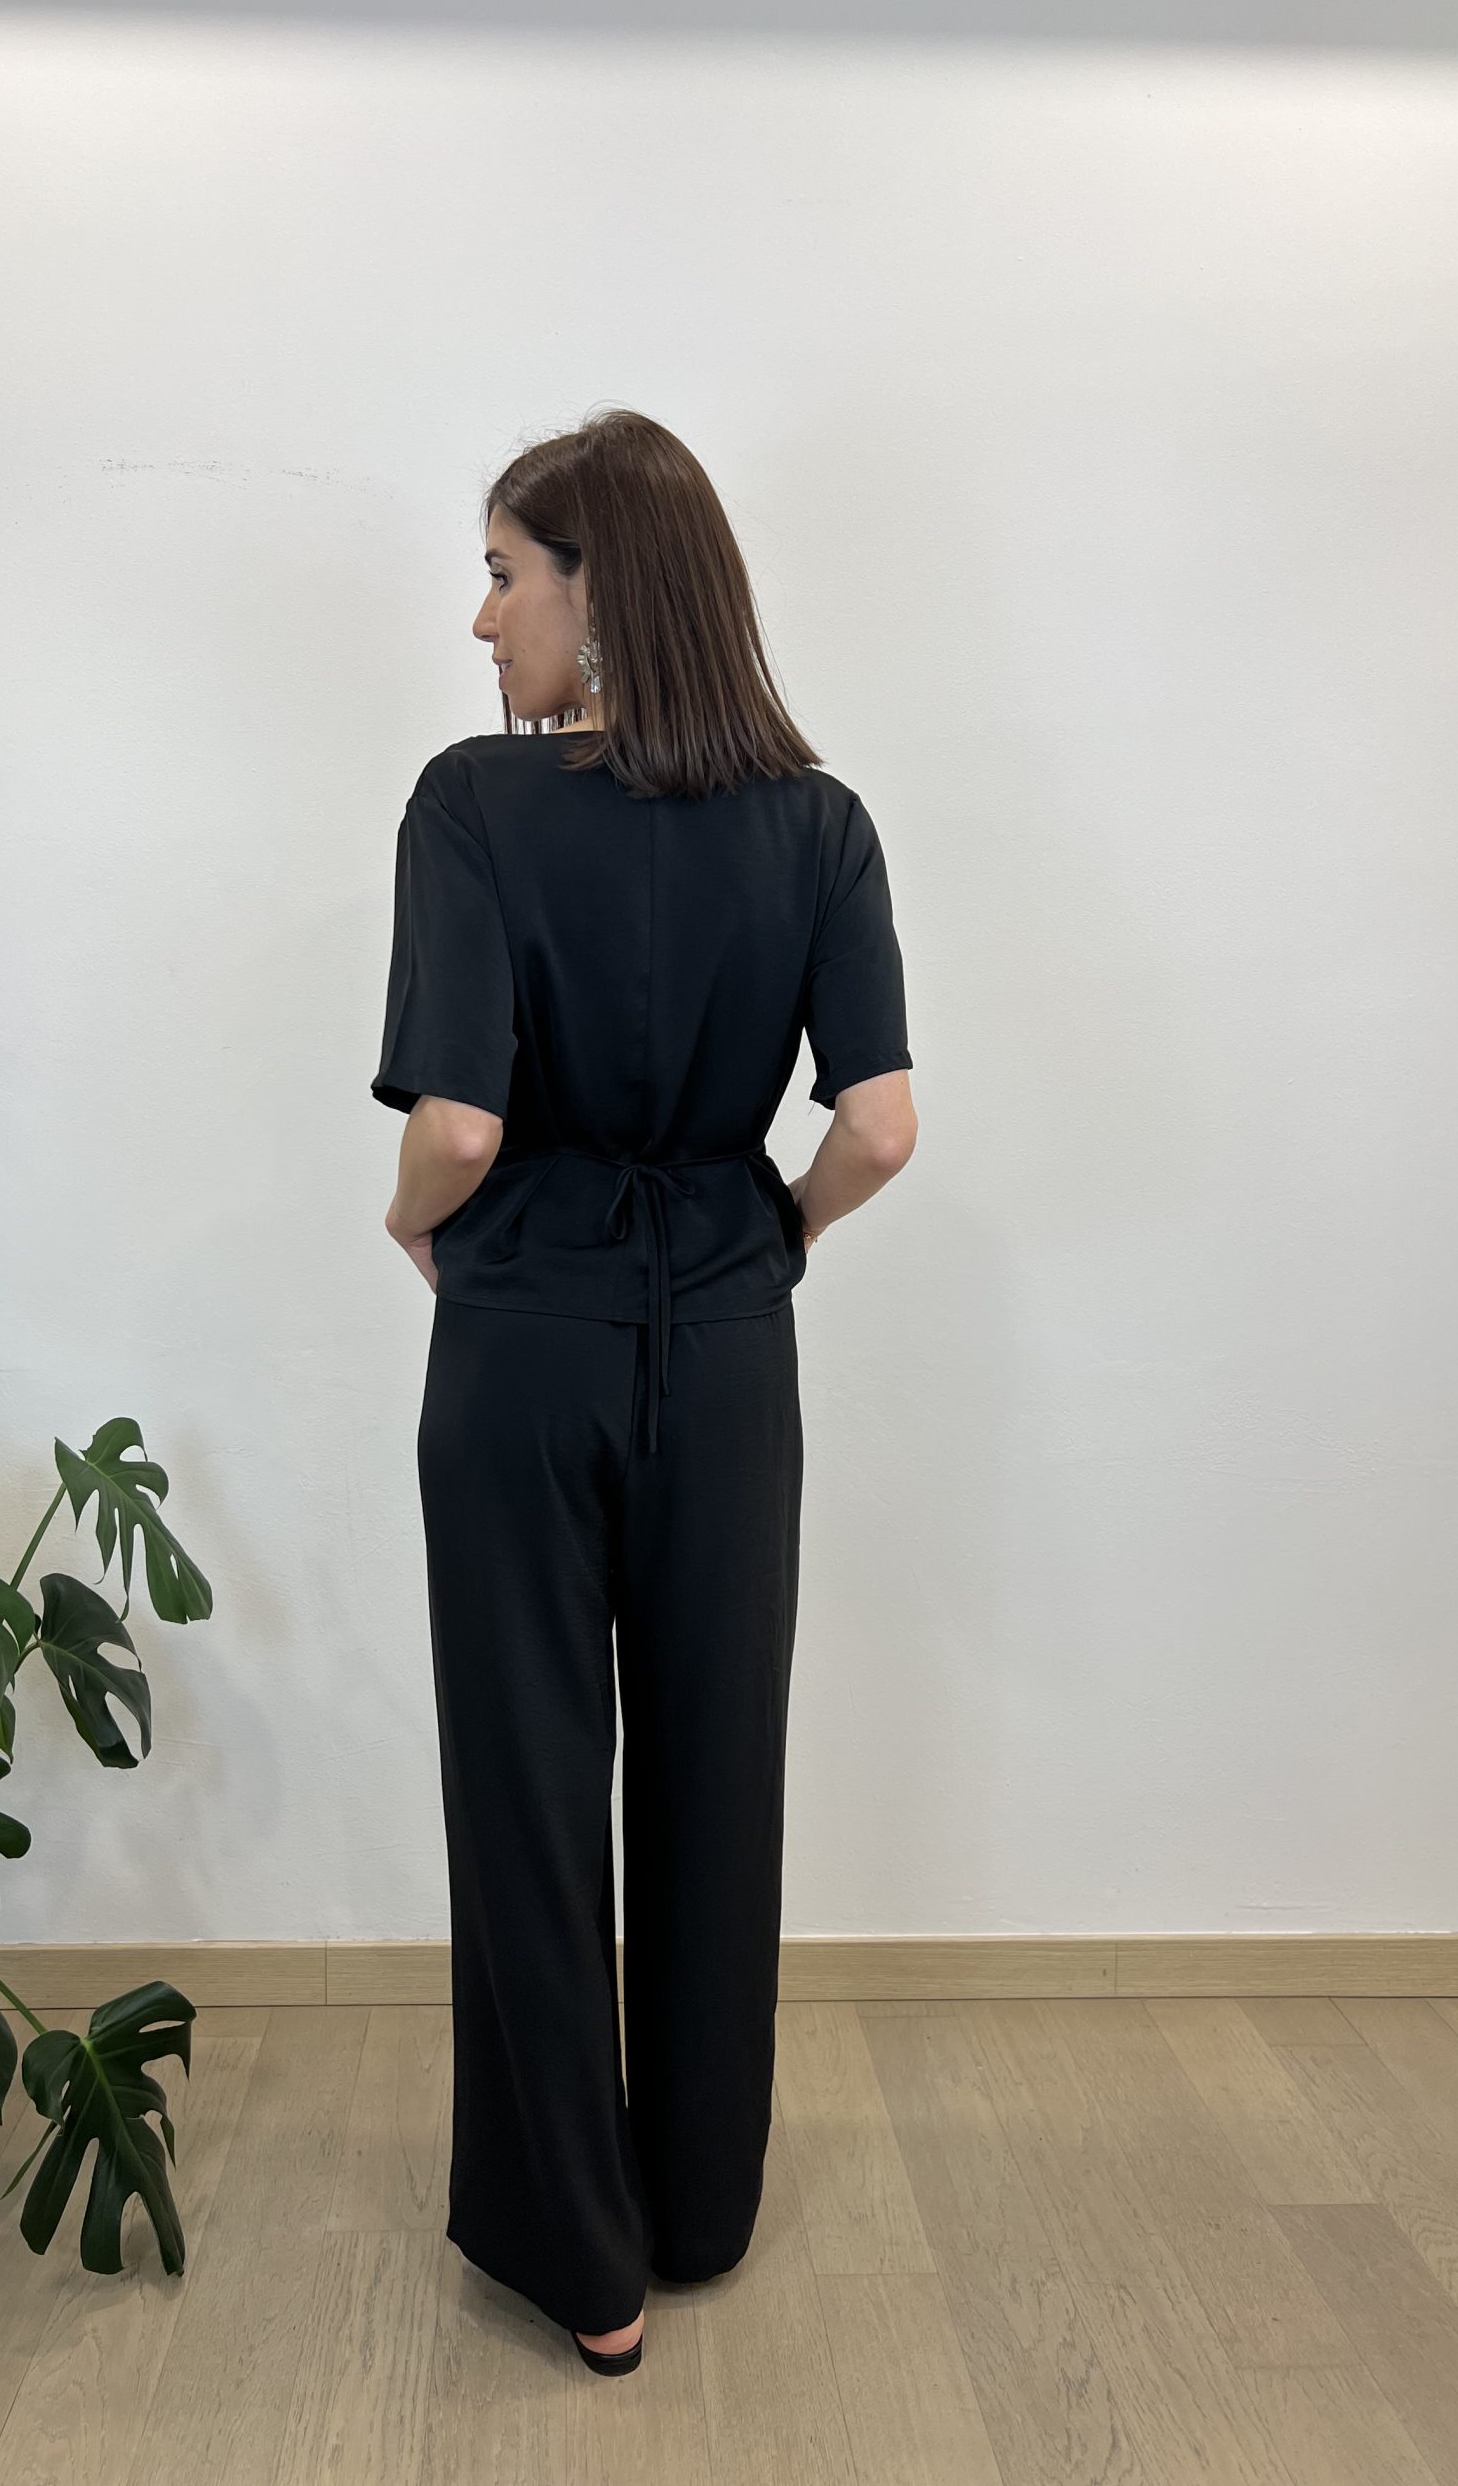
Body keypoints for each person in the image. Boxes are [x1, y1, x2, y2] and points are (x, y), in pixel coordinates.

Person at [371, 406, 917, 2377]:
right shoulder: (821, 820)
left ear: (598, 591)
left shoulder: (472, 804)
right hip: (733, 1338)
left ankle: (578, 2256)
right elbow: (882, 1124)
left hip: (527, 1338)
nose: (482, 619)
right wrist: (774, 1234)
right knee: (718, 1766)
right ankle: (695, 2204)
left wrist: (410, 1220)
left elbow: (458, 1123)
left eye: (504, 574)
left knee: (530, 1784)